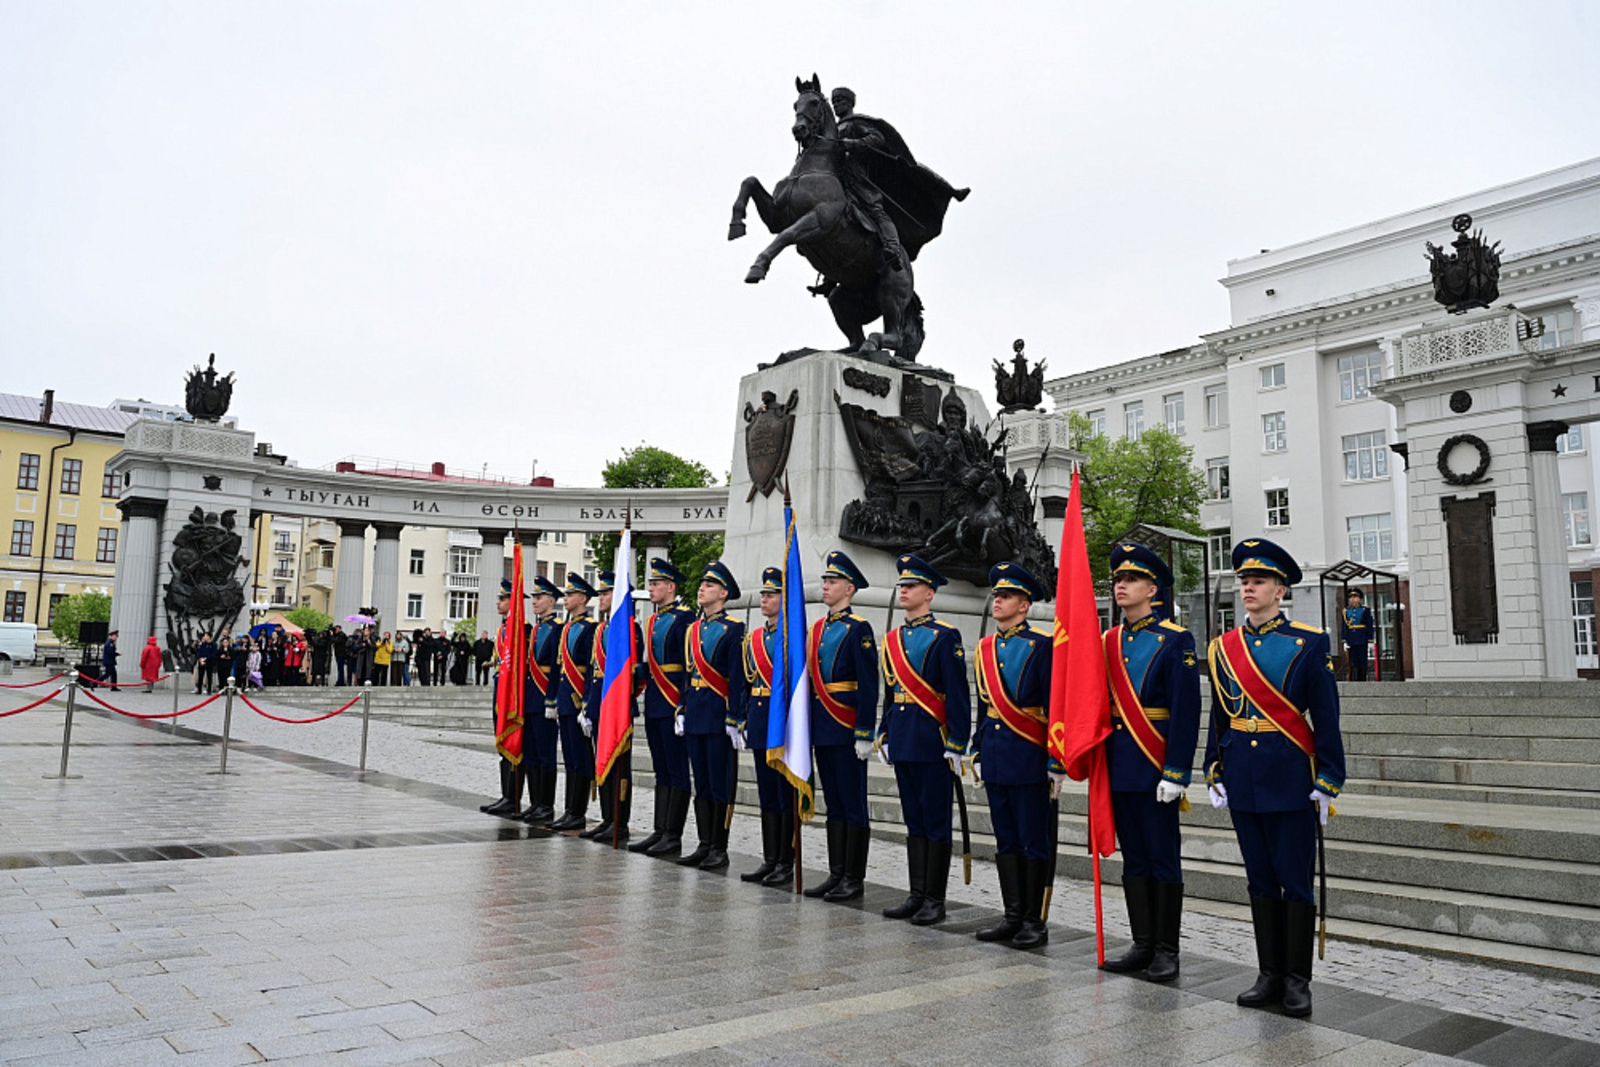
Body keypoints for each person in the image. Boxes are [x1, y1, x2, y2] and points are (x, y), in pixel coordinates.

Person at [1205, 538, 1346, 1018]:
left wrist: (1329, 779)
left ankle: (1297, 980)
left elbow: (1326, 717)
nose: (1248, 587)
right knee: (1259, 881)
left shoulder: (1308, 643)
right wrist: (1213, 767)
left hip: (1289, 775)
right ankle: (1268, 973)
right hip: (1242, 776)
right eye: (1244, 580)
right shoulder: (1223, 648)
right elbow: (1219, 717)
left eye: (1258, 580)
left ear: (1280, 589)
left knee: (1295, 882)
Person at [1099, 544, 1202, 978]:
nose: (1120, 586)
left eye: (1130, 580)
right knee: (1135, 859)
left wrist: (1177, 771)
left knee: (1162, 858)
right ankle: (1142, 943)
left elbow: (1186, 710)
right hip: (1120, 765)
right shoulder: (1107, 640)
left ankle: (1166, 949)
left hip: (1154, 761)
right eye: (1117, 580)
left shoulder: (1176, 640)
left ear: (1152, 589)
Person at [879, 553, 971, 926]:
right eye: (901, 585)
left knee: (935, 822)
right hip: (903, 739)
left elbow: (958, 695)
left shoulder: (945, 637)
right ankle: (916, 894)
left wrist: (957, 742)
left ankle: (935, 899)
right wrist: (884, 731)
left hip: (932, 741)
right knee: (914, 822)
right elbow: (890, 691)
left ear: (929, 593)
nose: (904, 590)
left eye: (911, 585)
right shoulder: (893, 639)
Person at [969, 562, 1056, 949]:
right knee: (1005, 839)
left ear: (1024, 604)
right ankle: (1012, 914)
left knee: (1032, 840)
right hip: (997, 755)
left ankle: (1035, 922)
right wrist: (977, 747)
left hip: (1029, 755)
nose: (997, 601)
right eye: (996, 595)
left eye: (1005, 596)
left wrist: (1057, 761)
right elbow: (983, 706)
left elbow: (1054, 708)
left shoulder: (1042, 645)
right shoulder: (985, 648)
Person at [803, 551, 878, 902]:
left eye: (832, 582)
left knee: (853, 805)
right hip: (822, 726)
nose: (825, 586)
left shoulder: (858, 629)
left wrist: (865, 731)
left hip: (846, 726)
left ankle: (853, 877)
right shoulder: (817, 629)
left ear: (848, 588)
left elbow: (868, 684)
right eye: (825, 581)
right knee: (834, 803)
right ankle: (836, 873)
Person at [678, 561, 745, 870]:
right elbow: (686, 675)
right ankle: (705, 843)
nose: (701, 588)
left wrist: (735, 717)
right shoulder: (692, 629)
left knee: (720, 784)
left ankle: (720, 846)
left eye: (709, 585)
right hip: (695, 716)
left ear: (723, 593)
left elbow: (736, 677)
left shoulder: (734, 629)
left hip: (719, 718)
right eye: (701, 584)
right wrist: (682, 707)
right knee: (701, 783)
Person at [630, 558, 697, 858]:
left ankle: (673, 834)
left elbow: (687, 665)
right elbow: (649, 662)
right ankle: (660, 829)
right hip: (656, 699)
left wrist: (683, 704)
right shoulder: (654, 620)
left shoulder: (685, 617)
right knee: (661, 769)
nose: (651, 588)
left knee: (677, 768)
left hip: (673, 702)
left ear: (671, 587)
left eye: (656, 584)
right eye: (651, 583)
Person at [736, 566, 797, 886]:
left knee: (784, 795)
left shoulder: (793, 637)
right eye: (763, 594)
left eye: (771, 594)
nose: (764, 599)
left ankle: (786, 861)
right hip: (760, 720)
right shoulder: (755, 638)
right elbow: (749, 684)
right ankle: (770, 858)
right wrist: (744, 718)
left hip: (783, 722)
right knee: (767, 795)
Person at [581, 570, 643, 845]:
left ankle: (620, 821)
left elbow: (636, 672)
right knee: (602, 761)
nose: (601, 598)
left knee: (620, 768)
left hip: (617, 708)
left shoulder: (630, 628)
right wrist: (586, 705)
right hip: (599, 706)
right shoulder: (601, 629)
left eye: (606, 593)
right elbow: (592, 671)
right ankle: (607, 818)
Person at [829, 86, 905, 269]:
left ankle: (893, 247)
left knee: (875, 210)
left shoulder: (856, 123)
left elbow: (877, 138)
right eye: (834, 102)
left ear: (850, 103)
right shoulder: (832, 129)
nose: (836, 105)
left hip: (856, 173)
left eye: (841, 101)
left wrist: (853, 143)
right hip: (836, 175)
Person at [548, 575, 600, 832]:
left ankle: (578, 812)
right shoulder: (566, 628)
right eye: (565, 594)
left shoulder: (591, 627)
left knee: (580, 758)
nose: (566, 598)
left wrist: (587, 702)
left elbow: (591, 667)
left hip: (579, 697)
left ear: (583, 599)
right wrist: (554, 699)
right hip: (566, 698)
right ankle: (570, 809)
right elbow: (559, 666)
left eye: (570, 595)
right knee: (569, 758)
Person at [483, 579, 532, 818]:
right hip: (499, 690)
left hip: (513, 693)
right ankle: (506, 795)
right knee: (503, 746)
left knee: (514, 743)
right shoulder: (503, 629)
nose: (498, 603)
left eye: (503, 599)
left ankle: (514, 798)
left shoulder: (523, 630)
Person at [522, 577, 564, 824]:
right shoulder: (536, 629)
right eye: (534, 598)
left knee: (546, 753)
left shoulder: (558, 628)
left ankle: (546, 805)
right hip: (531, 696)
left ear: (551, 600)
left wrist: (552, 699)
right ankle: (535, 801)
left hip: (545, 693)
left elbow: (558, 666)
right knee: (532, 752)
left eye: (538, 598)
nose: (534, 602)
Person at [1341, 590, 1374, 682]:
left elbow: (1369, 625)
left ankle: (1362, 678)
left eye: (1355, 597)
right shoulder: (1346, 611)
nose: (1353, 599)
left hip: (1362, 637)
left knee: (1362, 659)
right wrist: (1344, 639)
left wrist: (1370, 639)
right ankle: (1355, 679)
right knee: (1353, 660)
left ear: (1359, 599)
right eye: (1351, 597)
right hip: (1351, 638)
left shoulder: (1364, 610)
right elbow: (1344, 626)